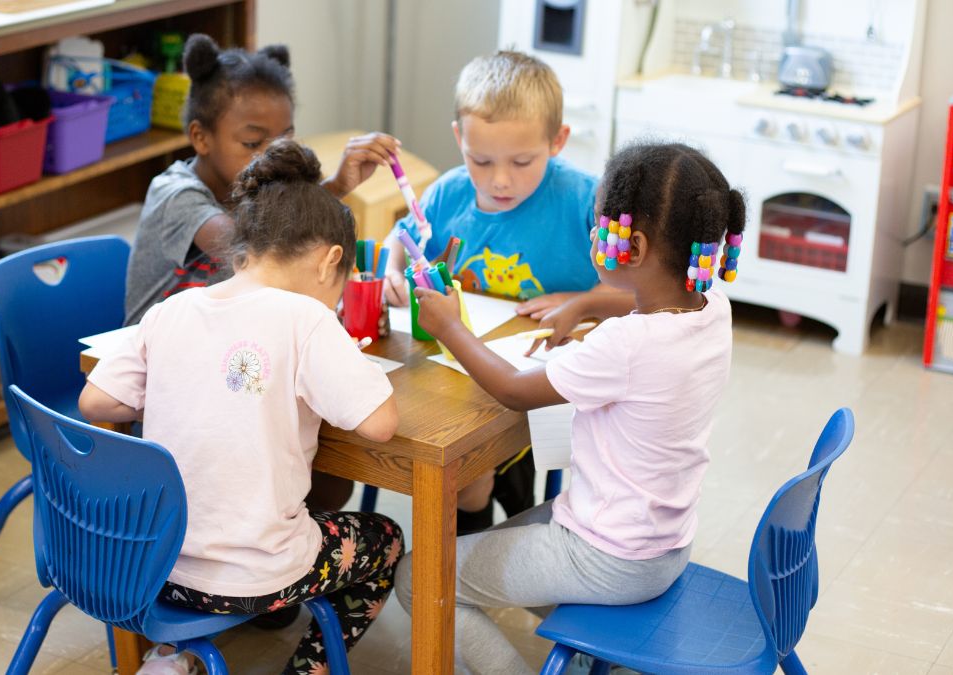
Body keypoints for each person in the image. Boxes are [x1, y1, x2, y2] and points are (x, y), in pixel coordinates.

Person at [395, 142, 745, 674]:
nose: (592, 234)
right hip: (662, 546)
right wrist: (580, 304)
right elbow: (637, 312)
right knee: (490, 550)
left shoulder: (626, 344)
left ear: (636, 245)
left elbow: (513, 389)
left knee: (420, 578)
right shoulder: (711, 305)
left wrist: (449, 326)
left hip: (607, 555)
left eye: (602, 225)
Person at [82, 140, 403, 675]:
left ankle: (172, 654)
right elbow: (382, 423)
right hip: (253, 578)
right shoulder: (308, 319)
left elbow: (96, 399)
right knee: (385, 540)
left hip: (151, 565)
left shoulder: (174, 310)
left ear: (241, 253)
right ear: (330, 263)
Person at [126, 33, 399, 513]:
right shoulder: (178, 195)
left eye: (286, 138)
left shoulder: (261, 204)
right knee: (323, 464)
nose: (271, 154)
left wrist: (331, 189)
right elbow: (261, 252)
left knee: (331, 474)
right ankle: (281, 565)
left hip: (236, 375)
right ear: (200, 137)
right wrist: (329, 190)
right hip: (165, 393)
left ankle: (289, 560)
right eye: (253, 142)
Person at [381, 49, 635, 533]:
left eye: (522, 161)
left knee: (466, 480)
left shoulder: (587, 200)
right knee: (450, 461)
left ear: (558, 140)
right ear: (460, 139)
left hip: (544, 382)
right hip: (459, 372)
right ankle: (465, 568)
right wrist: (394, 268)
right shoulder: (448, 192)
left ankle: (466, 575)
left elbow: (650, 294)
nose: (500, 180)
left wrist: (586, 299)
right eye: (480, 160)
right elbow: (403, 234)